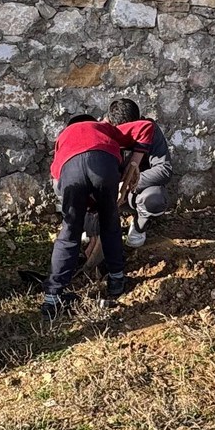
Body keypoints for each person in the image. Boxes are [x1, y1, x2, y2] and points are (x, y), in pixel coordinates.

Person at [43, 113, 132, 315]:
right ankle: (116, 280)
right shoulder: (102, 127)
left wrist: (78, 208)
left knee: (69, 232)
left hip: (70, 169)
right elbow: (121, 157)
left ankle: (52, 297)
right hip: (104, 164)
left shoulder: (64, 137)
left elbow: (58, 184)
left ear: (70, 126)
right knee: (110, 222)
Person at [108, 97, 173, 248]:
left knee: (154, 198)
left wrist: (129, 184)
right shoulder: (105, 131)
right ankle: (94, 229)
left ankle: (138, 227)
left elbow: (164, 169)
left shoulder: (151, 131)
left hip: (137, 192)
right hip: (110, 191)